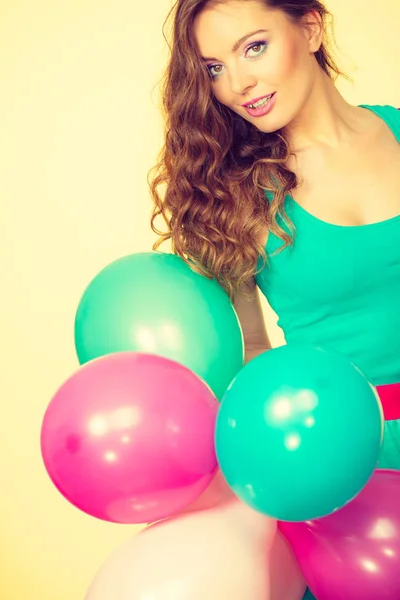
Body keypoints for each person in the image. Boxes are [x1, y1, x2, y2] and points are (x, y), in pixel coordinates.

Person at [148, 0, 400, 598]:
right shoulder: (231, 196)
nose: (237, 85)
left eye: (252, 47)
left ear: (310, 28)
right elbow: (252, 353)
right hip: (344, 467)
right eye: (213, 68)